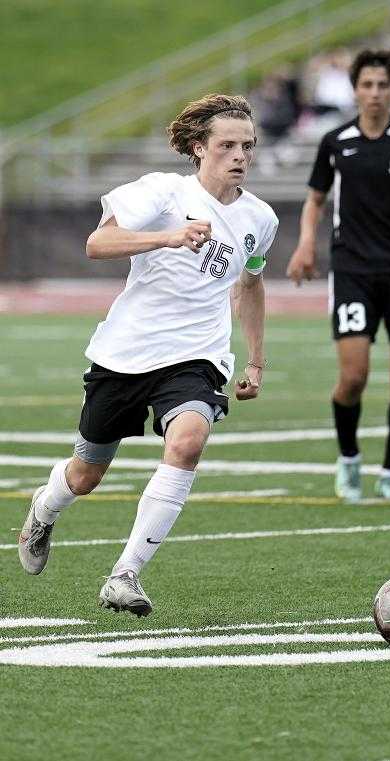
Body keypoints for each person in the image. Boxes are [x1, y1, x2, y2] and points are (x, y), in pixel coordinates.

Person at [17, 94, 278, 617]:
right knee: (85, 475)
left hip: (197, 355)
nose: (239, 155)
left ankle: (125, 575)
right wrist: (167, 237)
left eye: (247, 146)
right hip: (126, 352)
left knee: (188, 441)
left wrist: (254, 360)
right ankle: (44, 510)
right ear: (199, 147)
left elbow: (250, 284)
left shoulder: (261, 218)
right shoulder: (163, 191)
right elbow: (97, 244)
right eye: (227, 145)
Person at [285, 48, 390, 504]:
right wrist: (305, 243)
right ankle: (349, 460)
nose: (374, 93)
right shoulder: (336, 141)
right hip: (353, 270)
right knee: (354, 376)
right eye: (367, 85)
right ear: (355, 89)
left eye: (383, 85)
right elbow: (315, 200)